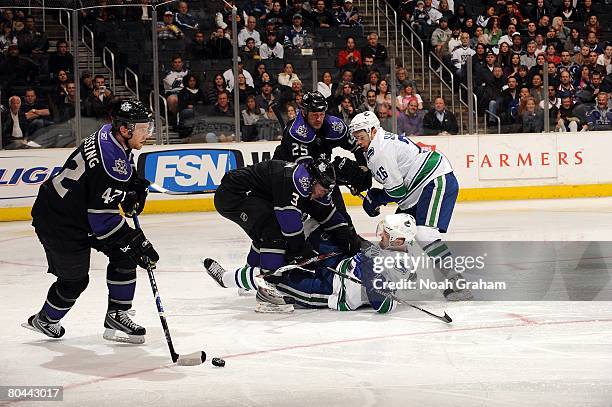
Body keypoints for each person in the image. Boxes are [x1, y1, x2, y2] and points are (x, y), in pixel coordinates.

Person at [23, 100, 159, 342]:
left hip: (78, 208)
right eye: (143, 128)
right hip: (59, 220)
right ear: (125, 129)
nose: (147, 133)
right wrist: (135, 239)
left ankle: (118, 313)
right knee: (75, 280)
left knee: (124, 255)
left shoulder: (109, 133)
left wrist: (128, 189)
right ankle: (45, 320)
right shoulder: (111, 165)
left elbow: (109, 175)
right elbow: (102, 221)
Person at [206, 158, 358, 312]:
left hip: (254, 197)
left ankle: (246, 276)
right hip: (234, 195)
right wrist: (301, 250)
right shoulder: (299, 180)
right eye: (323, 190)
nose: (322, 194)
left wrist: (348, 237)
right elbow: (289, 226)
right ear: (313, 180)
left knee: (267, 237)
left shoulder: (314, 184)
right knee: (273, 232)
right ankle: (266, 289)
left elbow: (328, 215)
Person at [349, 111, 471, 301]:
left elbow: (397, 192)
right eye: (356, 138)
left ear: (373, 131)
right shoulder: (377, 143)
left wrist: (377, 197)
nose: (358, 142)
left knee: (424, 233)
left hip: (435, 180)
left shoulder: (380, 150)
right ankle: (404, 277)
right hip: (417, 189)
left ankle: (458, 283)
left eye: (361, 137)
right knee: (392, 234)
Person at [205, 214, 420, 313]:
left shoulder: (398, 266)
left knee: (274, 275)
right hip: (336, 269)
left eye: (387, 233)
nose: (381, 234)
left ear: (399, 240)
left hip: (328, 290)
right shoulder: (392, 253)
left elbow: (383, 304)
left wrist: (369, 268)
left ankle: (226, 279)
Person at [272, 91, 371, 225]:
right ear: (304, 112)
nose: (319, 119)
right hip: (289, 176)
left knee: (341, 217)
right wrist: (333, 176)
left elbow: (356, 148)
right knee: (293, 221)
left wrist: (363, 172)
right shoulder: (296, 132)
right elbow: (304, 173)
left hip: (318, 169)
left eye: (321, 114)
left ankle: (349, 238)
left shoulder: (334, 125)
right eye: (314, 115)